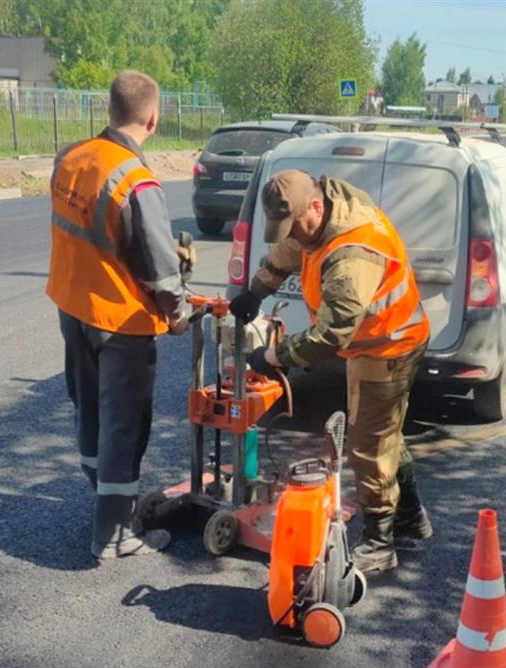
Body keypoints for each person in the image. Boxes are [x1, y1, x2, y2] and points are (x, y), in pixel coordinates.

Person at [229, 170, 431, 573]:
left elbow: (332, 333)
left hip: (388, 347)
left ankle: (380, 542)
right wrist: (256, 290)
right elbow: (291, 249)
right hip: (374, 342)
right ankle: (411, 517)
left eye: (297, 225)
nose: (294, 235)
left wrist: (275, 357)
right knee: (383, 432)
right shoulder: (320, 219)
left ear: (316, 207)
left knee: (368, 445)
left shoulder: (353, 251)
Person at [46, 70, 196, 560]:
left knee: (88, 407)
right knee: (123, 424)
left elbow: (102, 234)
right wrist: (180, 314)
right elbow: (160, 275)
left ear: (110, 110)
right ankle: (114, 535)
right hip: (120, 322)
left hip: (74, 308)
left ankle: (101, 491)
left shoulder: (71, 158)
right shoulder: (136, 179)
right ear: (153, 117)